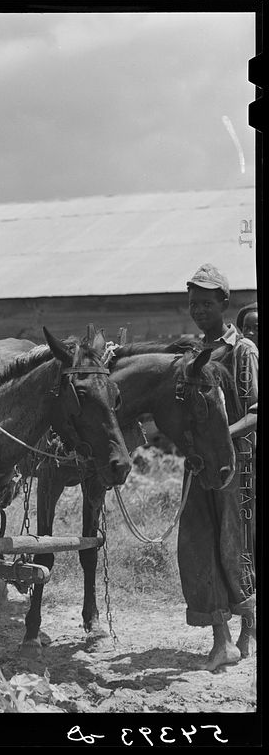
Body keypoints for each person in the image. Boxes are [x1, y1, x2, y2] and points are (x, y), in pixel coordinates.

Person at [178, 263, 258, 671]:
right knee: (199, 547)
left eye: (207, 303)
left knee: (236, 546)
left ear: (224, 303)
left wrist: (222, 436)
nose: (199, 310)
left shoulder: (243, 351)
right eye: (193, 303)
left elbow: (257, 410)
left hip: (237, 466)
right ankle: (220, 638)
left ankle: (249, 627)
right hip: (198, 467)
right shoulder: (192, 355)